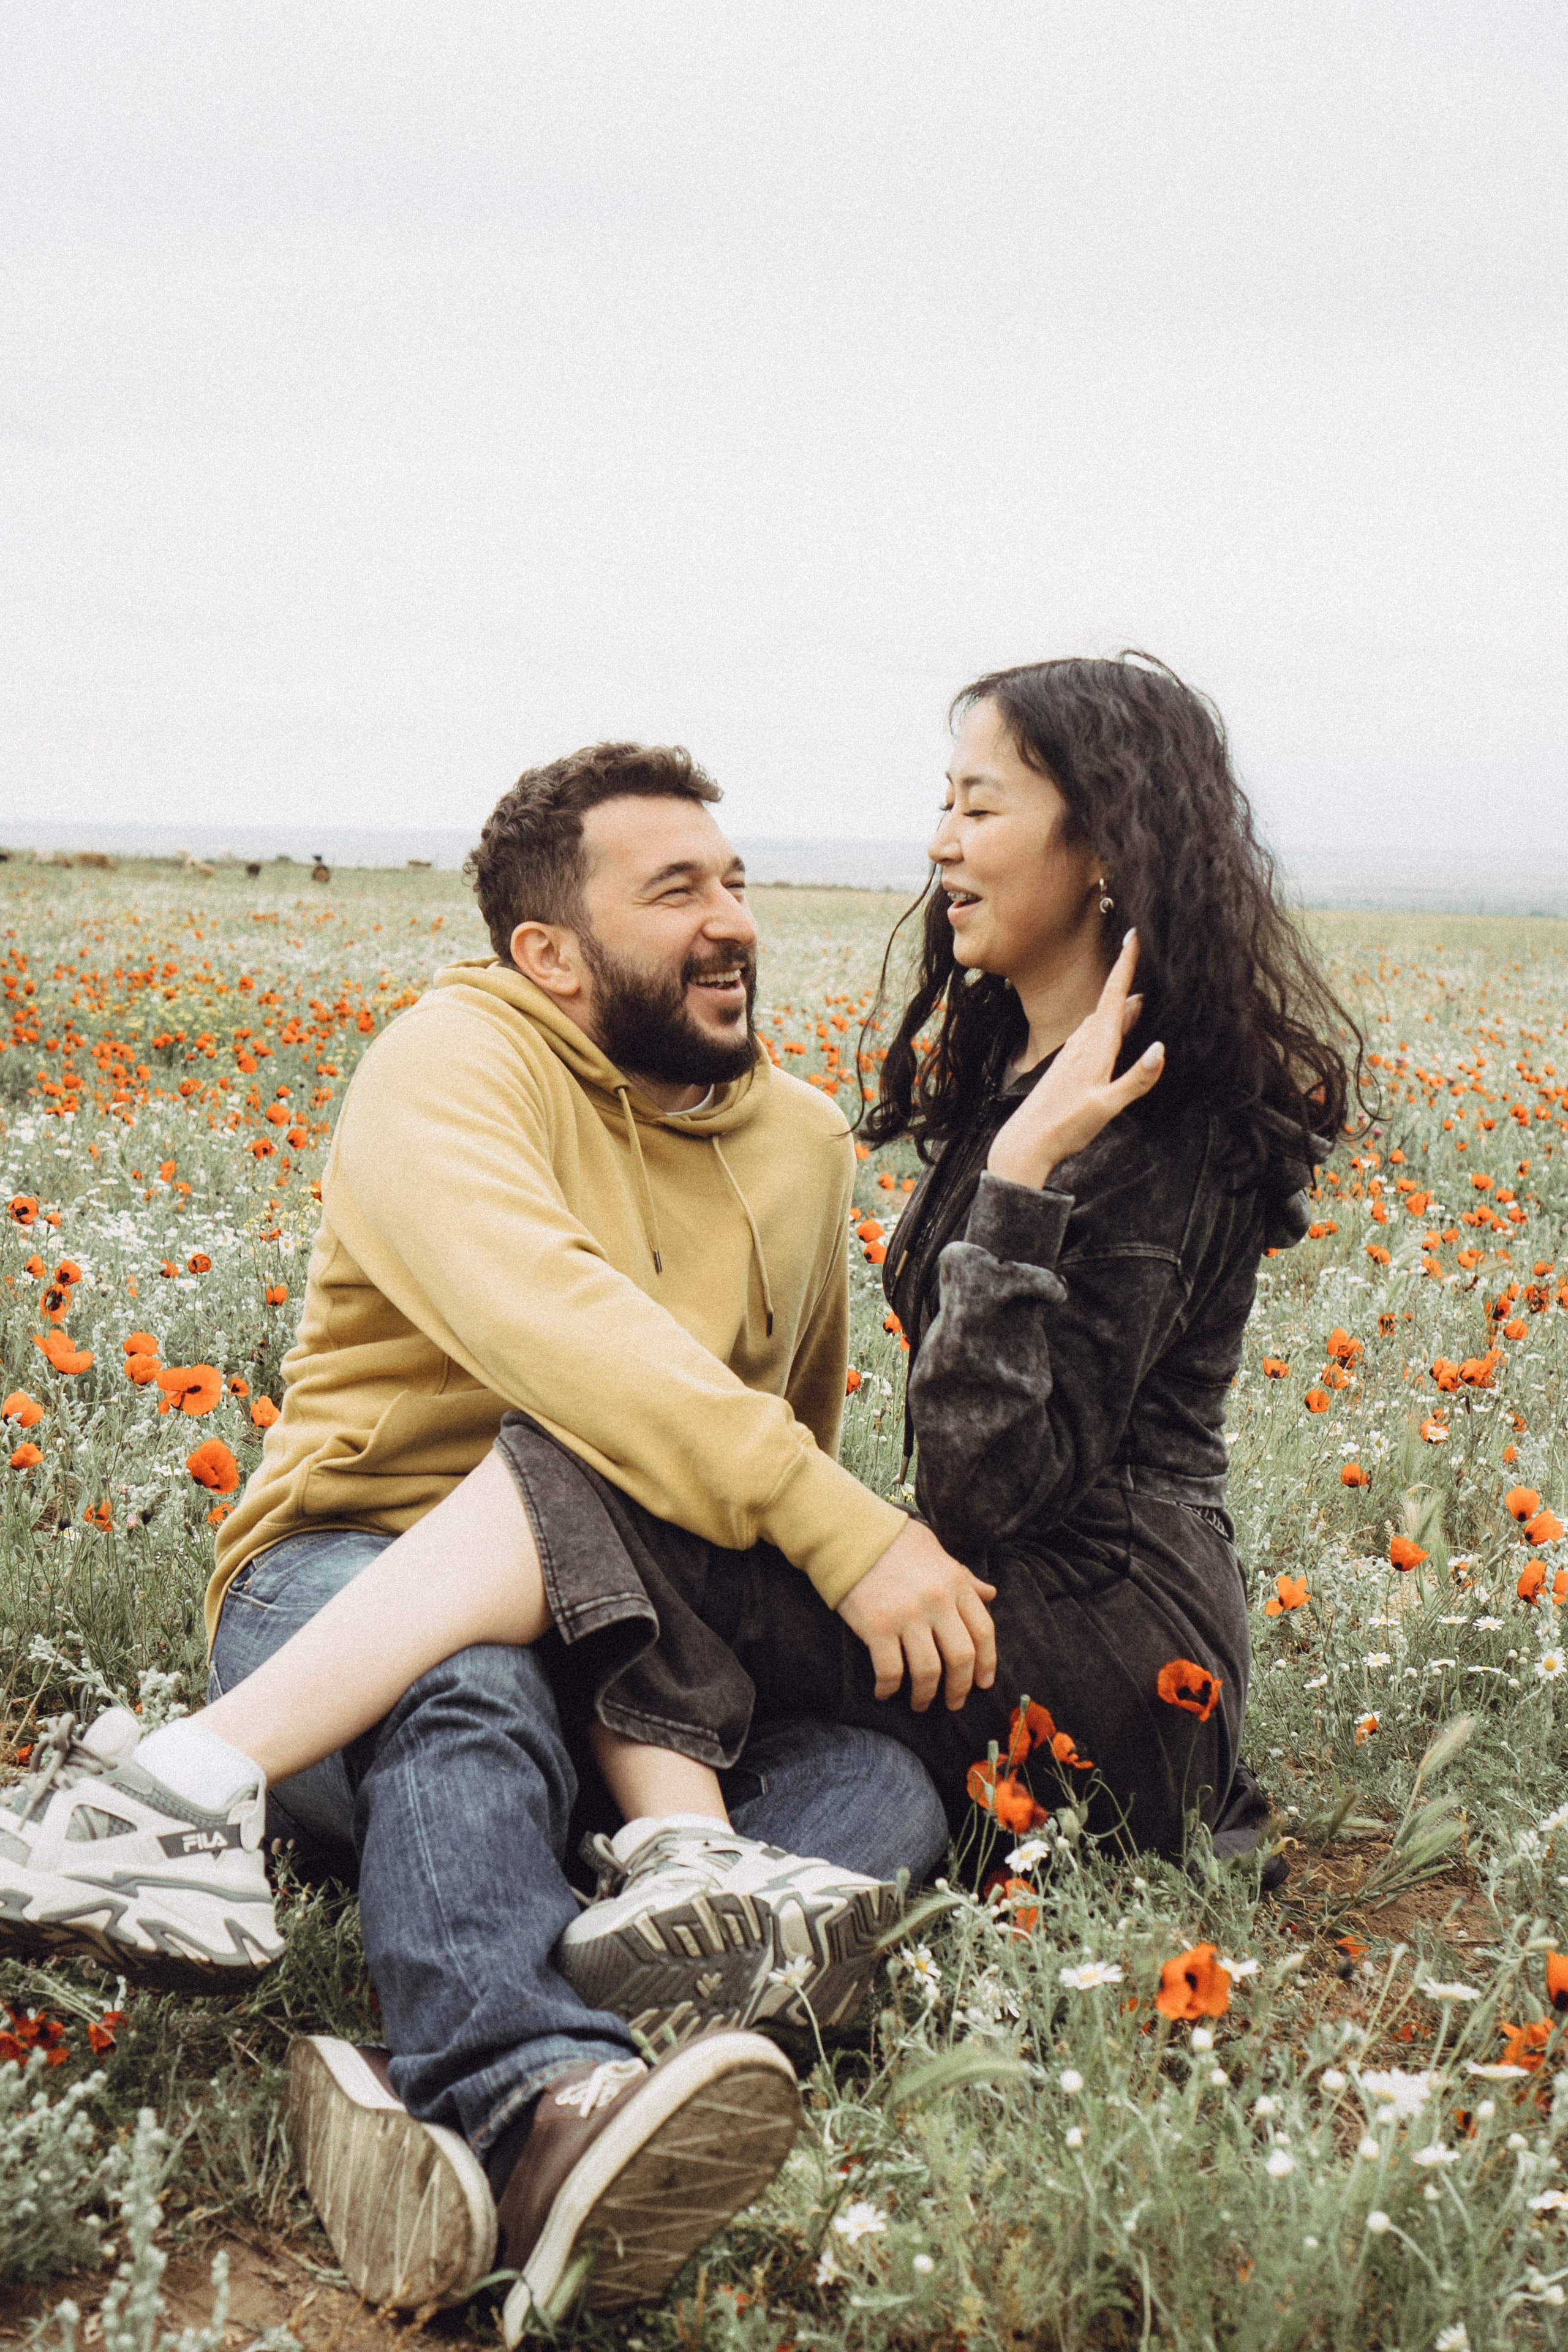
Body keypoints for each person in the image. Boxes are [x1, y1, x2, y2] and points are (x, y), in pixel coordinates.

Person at [0, 742, 978, 2337]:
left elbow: (772, 1430)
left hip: (640, 1634)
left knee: (874, 1790)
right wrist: (838, 1524)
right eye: (676, 892)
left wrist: (787, 1565)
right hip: (367, 1583)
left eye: (734, 882)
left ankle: (445, 2031)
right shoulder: (450, 1065)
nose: (731, 921)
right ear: (552, 954)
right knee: (472, 1685)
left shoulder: (798, 1145)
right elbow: (567, 1340)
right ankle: (535, 2112)